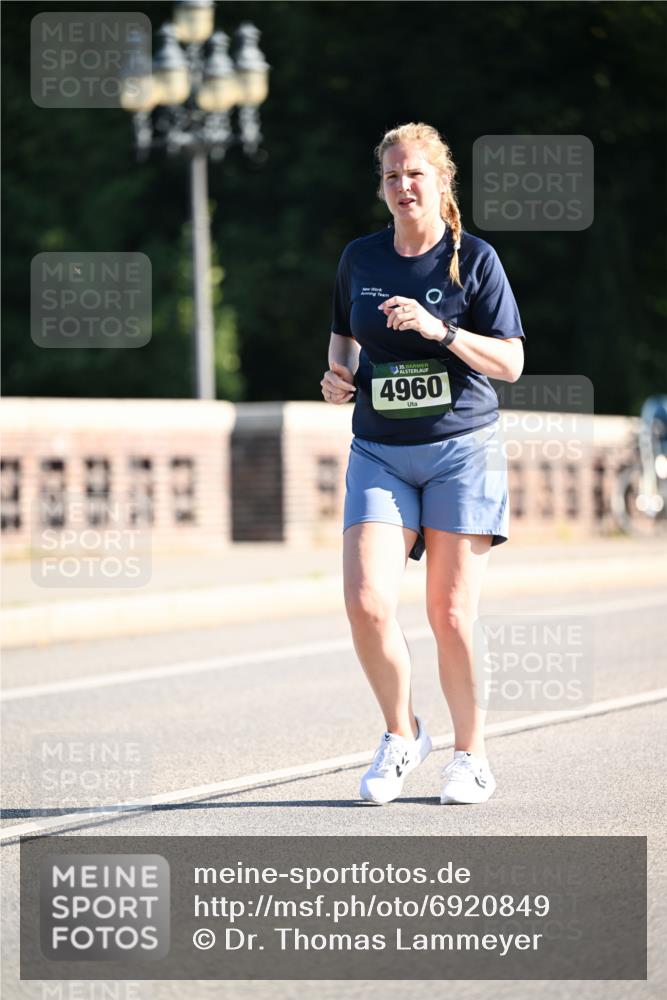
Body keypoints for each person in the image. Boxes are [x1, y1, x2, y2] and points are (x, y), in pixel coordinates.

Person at [320, 122, 525, 806]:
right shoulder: (360, 257)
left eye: (415, 174)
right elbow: (344, 334)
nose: (403, 186)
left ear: (441, 182)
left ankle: (471, 756)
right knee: (366, 603)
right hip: (378, 448)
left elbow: (511, 362)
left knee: (450, 614)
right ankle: (402, 732)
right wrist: (336, 375)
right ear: (380, 187)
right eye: (391, 176)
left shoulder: (475, 260)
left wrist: (440, 330)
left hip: (460, 450)